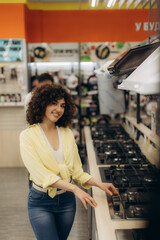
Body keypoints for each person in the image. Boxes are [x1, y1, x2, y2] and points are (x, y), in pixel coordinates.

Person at [20, 82, 118, 240]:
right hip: (41, 202)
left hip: (66, 202)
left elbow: (77, 172)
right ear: (41, 103)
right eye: (54, 103)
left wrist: (99, 184)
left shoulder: (66, 133)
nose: (58, 109)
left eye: (62, 105)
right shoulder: (27, 136)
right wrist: (75, 189)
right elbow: (42, 176)